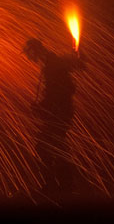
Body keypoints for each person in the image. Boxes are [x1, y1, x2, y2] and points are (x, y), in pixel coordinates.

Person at [23, 38, 84, 196]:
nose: (28, 57)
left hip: (59, 113)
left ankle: (58, 185)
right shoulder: (50, 63)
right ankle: (63, 185)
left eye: (29, 53)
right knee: (55, 147)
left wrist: (42, 107)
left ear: (34, 50)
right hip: (61, 112)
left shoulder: (51, 65)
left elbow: (56, 92)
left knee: (46, 148)